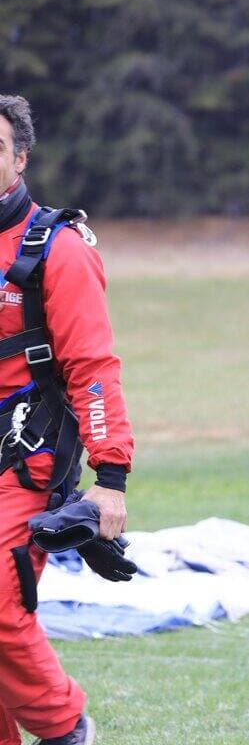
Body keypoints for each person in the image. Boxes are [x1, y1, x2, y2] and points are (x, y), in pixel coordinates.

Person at [0, 95, 135, 745]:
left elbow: (94, 367)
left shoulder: (57, 248)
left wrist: (111, 476)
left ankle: (64, 729)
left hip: (22, 467)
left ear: (20, 158)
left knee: (0, 607)